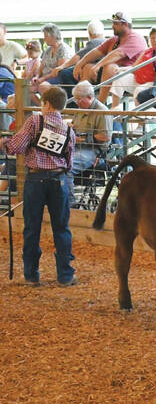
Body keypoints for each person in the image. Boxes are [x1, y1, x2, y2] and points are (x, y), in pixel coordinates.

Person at [0, 86, 77, 287]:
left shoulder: (35, 121)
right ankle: (65, 275)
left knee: (32, 227)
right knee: (62, 228)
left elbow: (15, 147)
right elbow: (70, 163)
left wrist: (4, 143)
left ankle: (31, 275)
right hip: (59, 180)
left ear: (47, 104)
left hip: (36, 179)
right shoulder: (69, 130)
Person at [72, 12, 146, 104]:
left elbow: (118, 53)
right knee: (87, 67)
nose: (112, 26)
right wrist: (80, 64)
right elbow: (96, 52)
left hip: (130, 75)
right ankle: (81, 102)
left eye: (116, 24)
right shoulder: (114, 39)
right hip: (112, 74)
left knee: (109, 67)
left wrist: (98, 65)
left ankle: (100, 105)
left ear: (125, 24)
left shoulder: (136, 38)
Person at [110, 26, 156, 109]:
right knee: (120, 78)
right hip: (139, 79)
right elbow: (134, 67)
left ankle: (139, 115)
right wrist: (121, 69)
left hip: (153, 83)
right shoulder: (147, 51)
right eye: (152, 38)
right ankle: (114, 108)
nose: (155, 40)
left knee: (139, 90)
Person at [69, 81, 113, 177]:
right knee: (56, 161)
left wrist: (83, 139)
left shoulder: (102, 111)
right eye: (75, 99)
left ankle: (67, 186)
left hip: (93, 150)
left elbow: (105, 137)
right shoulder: (80, 109)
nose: (77, 102)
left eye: (79, 99)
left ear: (89, 97)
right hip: (76, 146)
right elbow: (74, 126)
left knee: (68, 166)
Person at [54, 19, 107, 97]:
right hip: (98, 73)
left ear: (90, 33)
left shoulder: (94, 42)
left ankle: (73, 100)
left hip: (95, 73)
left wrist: (62, 66)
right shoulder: (106, 41)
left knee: (64, 73)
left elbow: (78, 57)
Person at [33, 23, 74, 98]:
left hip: (57, 79)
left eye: (45, 36)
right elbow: (42, 65)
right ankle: (43, 105)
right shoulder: (48, 50)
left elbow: (58, 72)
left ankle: (51, 105)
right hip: (44, 79)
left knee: (43, 86)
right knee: (28, 88)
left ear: (53, 36)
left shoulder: (63, 50)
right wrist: (37, 76)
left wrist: (43, 79)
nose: (44, 39)